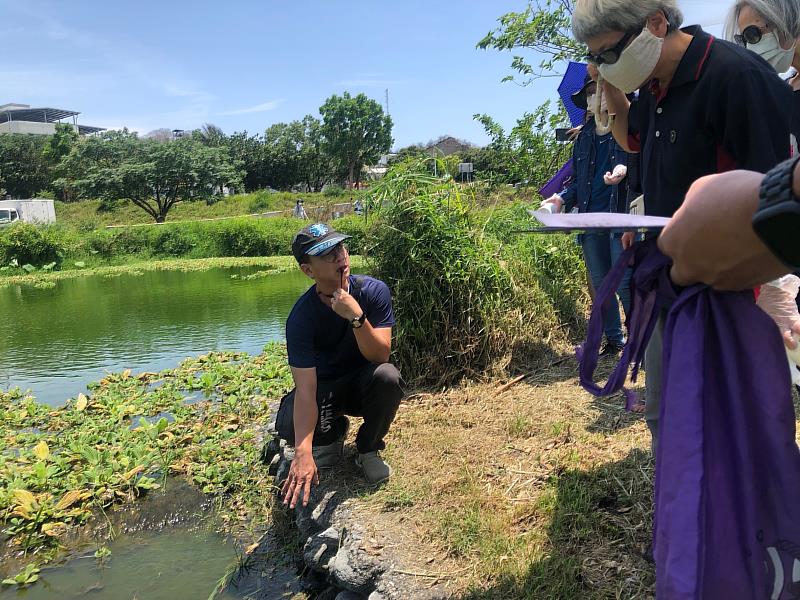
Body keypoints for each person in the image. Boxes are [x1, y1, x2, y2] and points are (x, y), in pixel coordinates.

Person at [571, 0, 793, 450]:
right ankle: (683, 512)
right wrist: (648, 227)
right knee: (667, 414)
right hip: (666, 280)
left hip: (727, 291)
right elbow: (646, 157)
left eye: (609, 53)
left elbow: (777, 199)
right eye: (595, 58)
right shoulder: (655, 89)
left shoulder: (736, 78)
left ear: (656, 24)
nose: (603, 66)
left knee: (726, 425)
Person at [277, 223, 403, 509]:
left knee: (388, 377)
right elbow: (306, 390)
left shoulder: (373, 292)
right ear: (308, 270)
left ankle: (368, 450)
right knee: (288, 424)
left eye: (340, 248)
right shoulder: (301, 318)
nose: (339, 257)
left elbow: (380, 356)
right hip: (325, 392)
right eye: (326, 254)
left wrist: (356, 317)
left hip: (363, 386)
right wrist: (303, 451)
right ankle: (332, 433)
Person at [541, 65, 632, 355]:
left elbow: (641, 166)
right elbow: (579, 182)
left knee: (626, 283)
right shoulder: (584, 137)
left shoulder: (629, 126)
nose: (597, 98)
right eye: (591, 93)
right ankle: (614, 339)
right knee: (601, 283)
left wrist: (624, 169)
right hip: (591, 217)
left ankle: (641, 341)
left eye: (601, 90)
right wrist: (560, 199)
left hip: (621, 214)